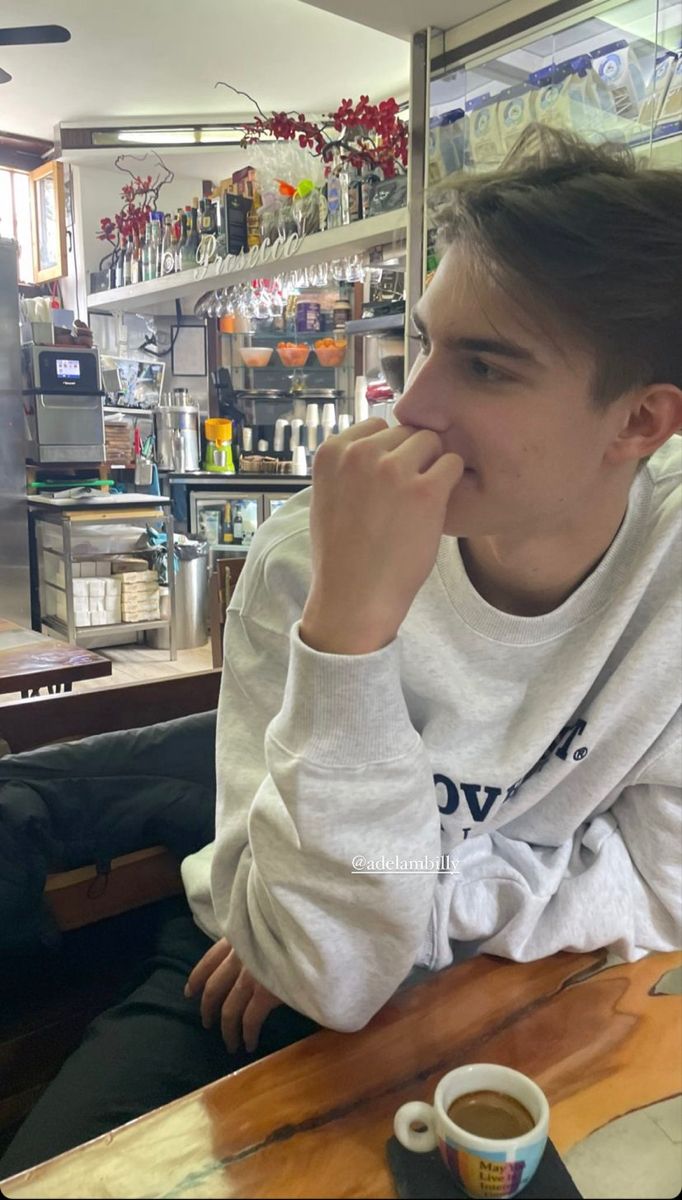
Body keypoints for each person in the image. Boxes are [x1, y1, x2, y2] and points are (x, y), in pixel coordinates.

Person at [2, 124, 681, 1177]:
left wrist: (406, 893)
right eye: (425, 342)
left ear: (639, 420)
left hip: (520, 982)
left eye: (485, 366)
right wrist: (352, 630)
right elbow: (325, 969)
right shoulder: (303, 562)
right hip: (245, 970)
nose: (410, 405)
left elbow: (664, 894)